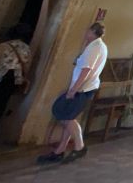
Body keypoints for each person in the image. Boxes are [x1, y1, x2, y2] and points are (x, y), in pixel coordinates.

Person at [37, 22, 108, 164]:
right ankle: (60, 151)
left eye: (87, 30)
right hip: (84, 87)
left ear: (92, 31)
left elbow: (86, 70)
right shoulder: (97, 46)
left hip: (82, 89)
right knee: (68, 117)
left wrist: (73, 89)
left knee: (66, 118)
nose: (85, 33)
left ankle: (80, 146)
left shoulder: (95, 47)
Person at [0, 24, 33, 136]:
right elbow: (27, 65)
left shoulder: (4, 46)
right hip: (14, 80)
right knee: (1, 104)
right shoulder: (27, 49)